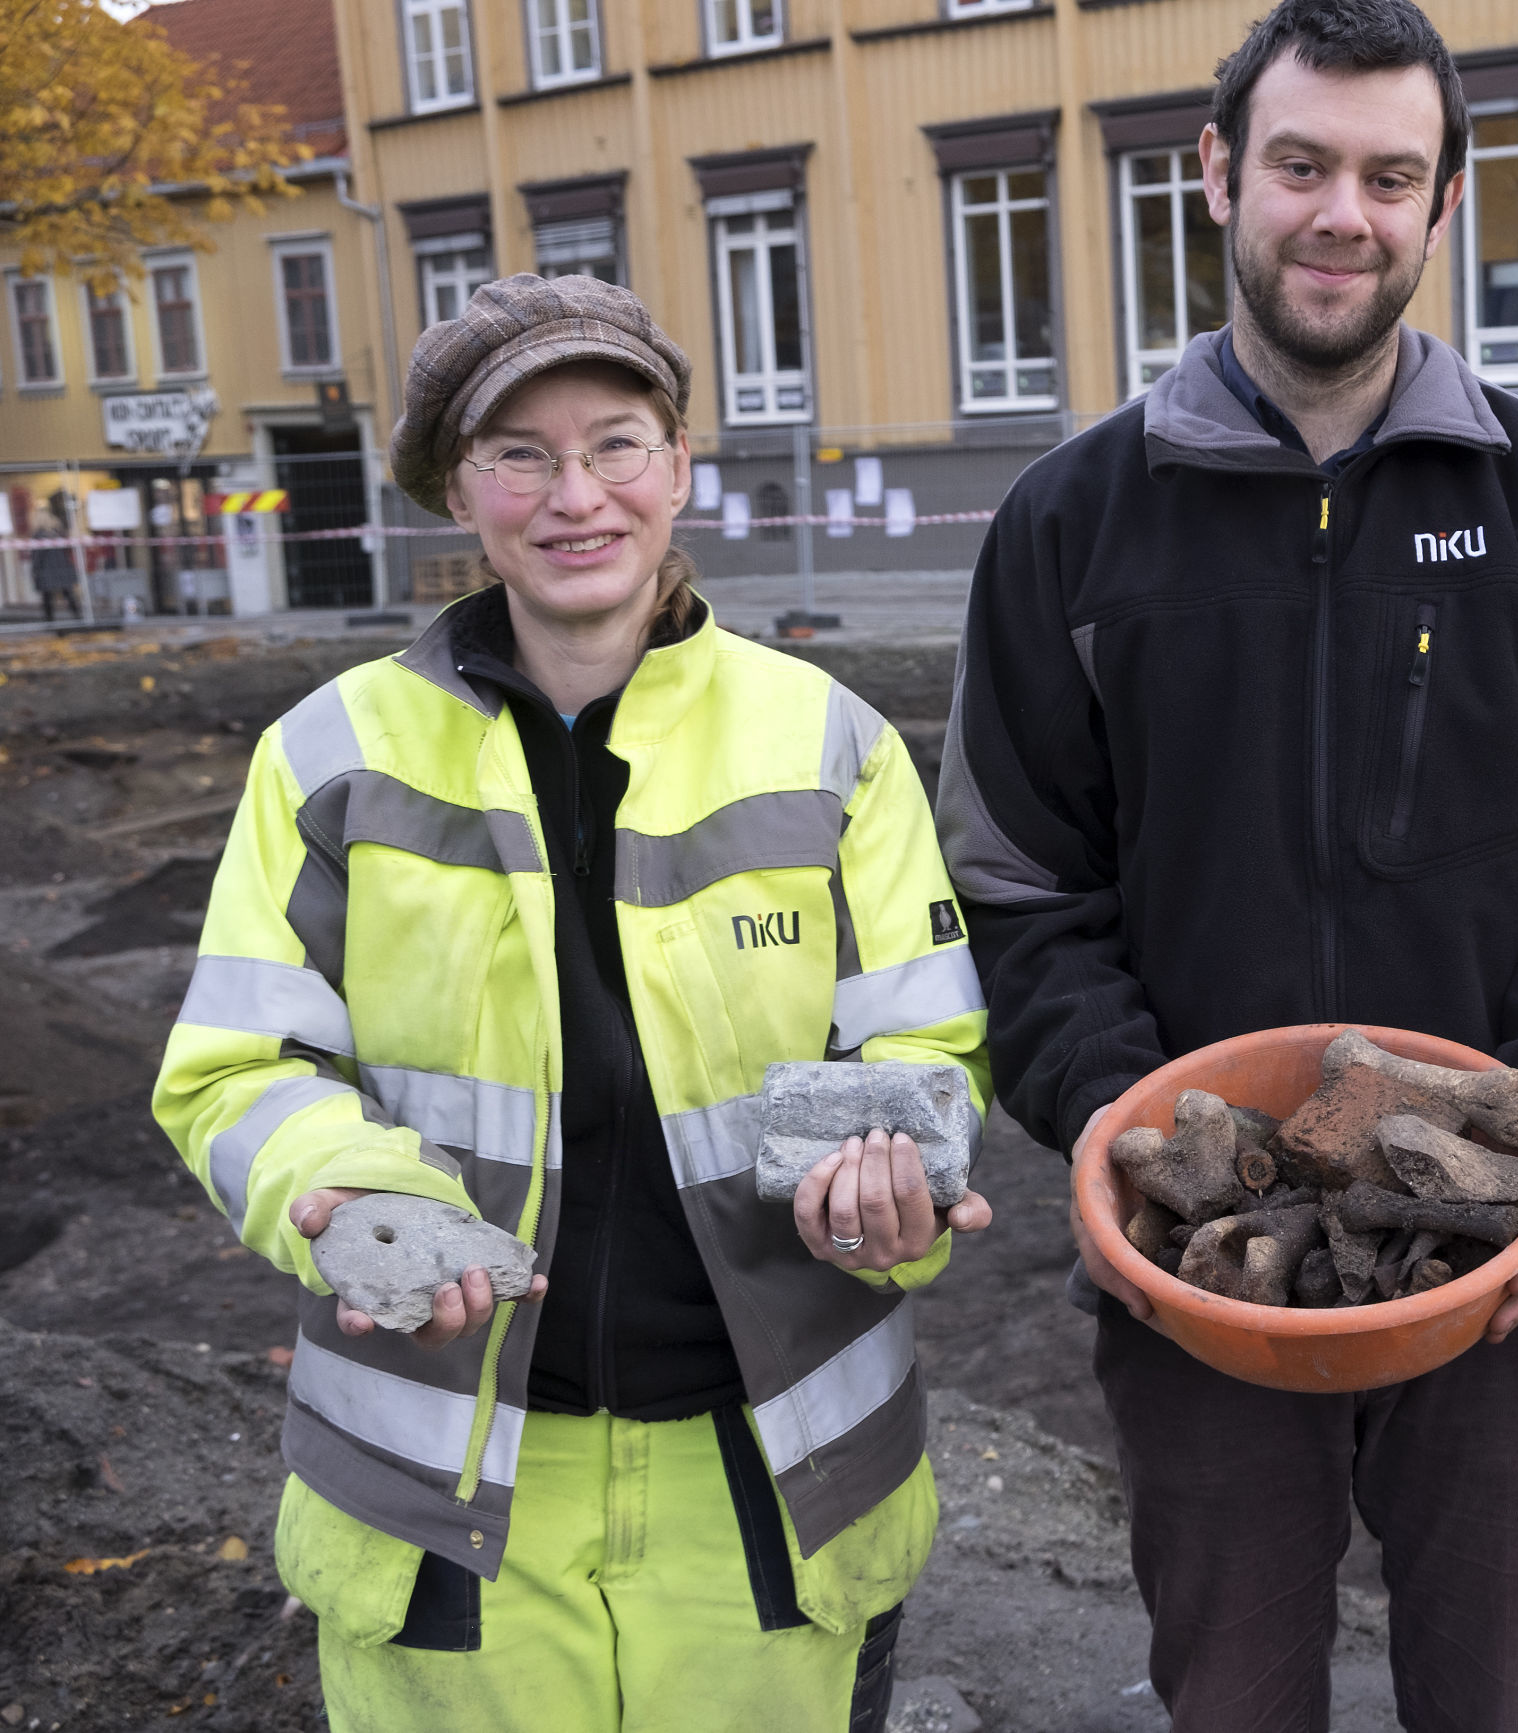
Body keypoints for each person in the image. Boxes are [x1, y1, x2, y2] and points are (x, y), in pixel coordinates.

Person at [936, 1, 1518, 1724]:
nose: (1340, 210)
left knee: (1494, 1694)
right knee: (1234, 1693)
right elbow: (1019, 894)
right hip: (1200, 1274)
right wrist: (1144, 1129)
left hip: (1496, 1265)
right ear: (1216, 176)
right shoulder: (1070, 525)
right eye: (1300, 164)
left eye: (1387, 173)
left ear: (1440, 209)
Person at [153, 274, 992, 1732]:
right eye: (520, 454)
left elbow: (924, 1047)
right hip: (443, 1504)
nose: (575, 494)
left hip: (767, 1493)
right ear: (457, 493)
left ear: (678, 468)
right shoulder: (329, 758)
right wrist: (343, 1185)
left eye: (615, 442)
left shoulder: (831, 746)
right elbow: (237, 1067)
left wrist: (900, 1180)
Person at [33, 492, 79, 622]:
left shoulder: (39, 534)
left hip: (46, 569)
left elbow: (37, 555)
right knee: (68, 593)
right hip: (61, 566)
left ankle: (50, 621)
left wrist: (35, 569)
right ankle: (78, 617)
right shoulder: (58, 531)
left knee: (47, 597)